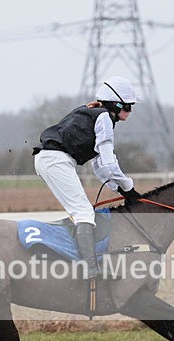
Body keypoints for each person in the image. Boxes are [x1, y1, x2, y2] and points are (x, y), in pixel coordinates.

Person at [33, 75, 142, 279]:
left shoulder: (92, 112)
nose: (130, 112)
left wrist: (119, 189)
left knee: (84, 211)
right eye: (127, 107)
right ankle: (91, 270)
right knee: (84, 213)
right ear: (116, 104)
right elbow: (110, 164)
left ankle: (86, 260)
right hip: (56, 160)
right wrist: (129, 188)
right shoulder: (104, 118)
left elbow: (100, 167)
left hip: (51, 159)